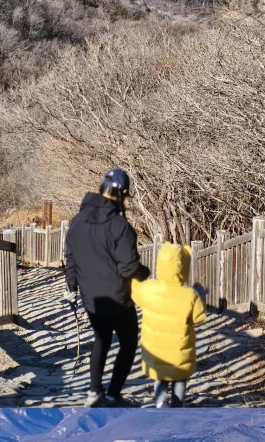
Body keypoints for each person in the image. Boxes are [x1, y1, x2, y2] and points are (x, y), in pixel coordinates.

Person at [63, 169, 149, 407]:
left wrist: (71, 288)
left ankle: (94, 392)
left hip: (92, 298)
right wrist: (146, 273)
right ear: (122, 194)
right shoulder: (119, 225)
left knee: (101, 340)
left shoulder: (77, 221)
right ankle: (112, 395)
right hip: (118, 299)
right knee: (128, 343)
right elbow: (128, 268)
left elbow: (70, 258)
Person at [129, 242, 207, 406]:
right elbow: (199, 318)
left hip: (156, 351)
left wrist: (134, 275)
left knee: (160, 376)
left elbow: (134, 291)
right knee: (179, 379)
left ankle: (160, 401)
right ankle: (177, 405)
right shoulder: (189, 295)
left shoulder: (149, 289)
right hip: (180, 353)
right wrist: (200, 294)